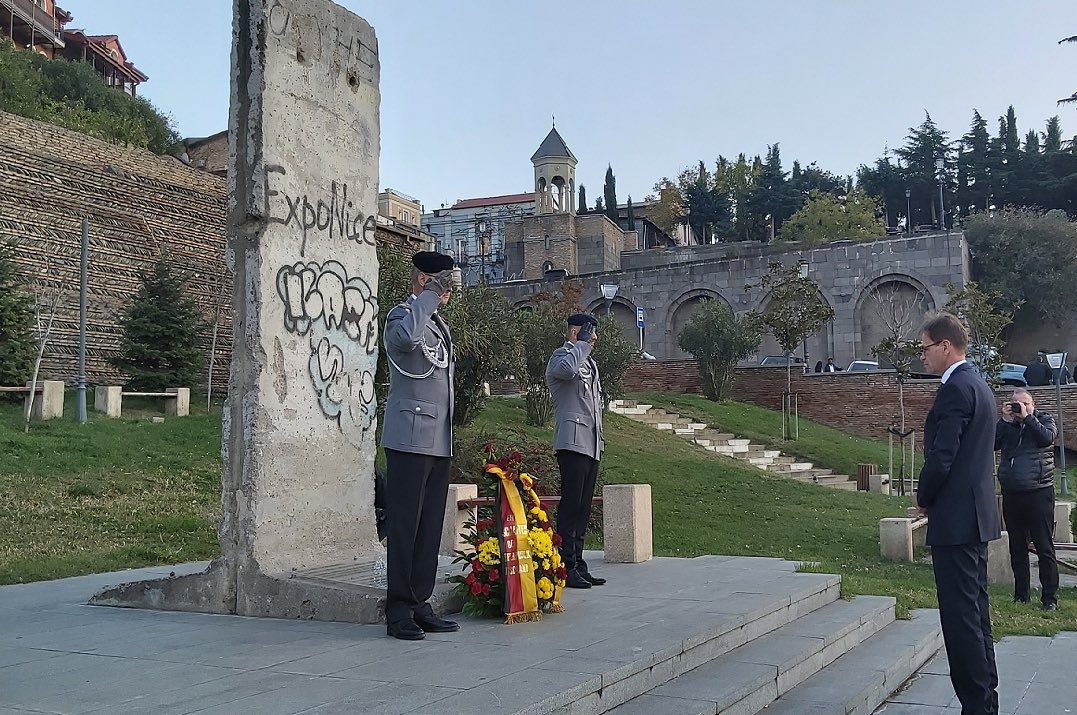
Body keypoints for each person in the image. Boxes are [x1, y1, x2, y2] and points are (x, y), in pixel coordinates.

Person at [914, 312, 1000, 715]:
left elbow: (942, 457)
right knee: (976, 615)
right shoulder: (980, 385)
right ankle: (985, 701)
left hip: (956, 521)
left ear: (946, 346)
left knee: (961, 620)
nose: (922, 357)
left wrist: (923, 496)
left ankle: (977, 706)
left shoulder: (955, 389)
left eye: (925, 348)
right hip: (976, 517)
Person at [381, 250, 459, 640]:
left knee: (429, 527)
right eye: (442, 282)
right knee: (405, 525)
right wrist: (429, 296)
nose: (448, 291)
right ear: (423, 280)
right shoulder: (402, 315)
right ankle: (397, 609)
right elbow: (404, 340)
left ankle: (419, 602)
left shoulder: (438, 324)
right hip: (409, 437)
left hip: (437, 439)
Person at [546, 313, 606, 589]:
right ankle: (565, 565)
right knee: (571, 506)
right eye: (589, 333)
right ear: (575, 333)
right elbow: (567, 372)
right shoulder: (562, 356)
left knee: (582, 509)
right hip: (571, 441)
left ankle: (578, 563)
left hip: (590, 443)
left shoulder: (589, 362)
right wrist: (581, 345)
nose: (594, 339)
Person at [995, 389, 1059, 611]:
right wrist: (1004, 420)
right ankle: (1021, 595)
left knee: (1044, 547)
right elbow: (992, 443)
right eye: (1014, 403)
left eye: (1023, 403)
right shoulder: (1007, 426)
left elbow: (1046, 438)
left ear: (1033, 404)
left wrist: (1028, 418)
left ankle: (1049, 598)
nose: (1019, 407)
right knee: (1017, 547)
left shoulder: (1044, 420)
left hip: (1039, 492)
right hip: (1012, 493)